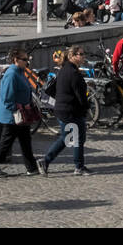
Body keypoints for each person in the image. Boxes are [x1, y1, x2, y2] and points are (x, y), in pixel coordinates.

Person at [0, 50, 40, 177]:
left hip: (22, 113)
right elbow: (7, 97)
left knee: (25, 140)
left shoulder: (20, 72)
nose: (27, 62)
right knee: (6, 141)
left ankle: (31, 168)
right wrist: (17, 109)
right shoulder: (12, 74)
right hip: (14, 115)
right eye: (24, 60)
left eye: (28, 59)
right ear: (16, 59)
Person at [38, 46, 91, 175]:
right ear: (72, 56)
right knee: (78, 138)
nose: (83, 56)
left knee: (66, 138)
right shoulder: (74, 73)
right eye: (81, 54)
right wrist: (86, 109)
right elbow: (81, 97)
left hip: (62, 109)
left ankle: (46, 161)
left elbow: (56, 90)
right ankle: (79, 167)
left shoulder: (63, 70)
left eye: (84, 54)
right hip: (71, 111)